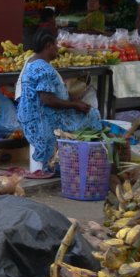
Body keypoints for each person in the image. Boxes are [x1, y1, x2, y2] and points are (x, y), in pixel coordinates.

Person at [16, 30, 102, 176]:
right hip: (43, 117)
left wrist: (71, 100)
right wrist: (76, 105)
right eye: (55, 45)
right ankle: (86, 159)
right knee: (92, 114)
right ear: (49, 46)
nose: (57, 49)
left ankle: (72, 160)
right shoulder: (43, 68)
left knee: (86, 111)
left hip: (36, 113)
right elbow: (47, 99)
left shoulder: (32, 61)